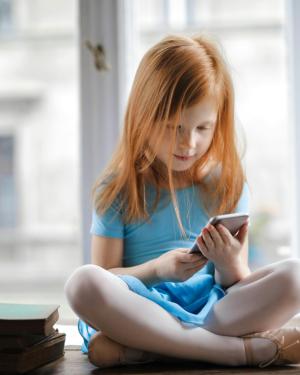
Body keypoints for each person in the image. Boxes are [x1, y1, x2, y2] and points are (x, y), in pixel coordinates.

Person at [64, 34, 300, 369]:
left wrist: (229, 263)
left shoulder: (228, 184)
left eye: (202, 127)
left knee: (295, 276)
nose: (189, 143)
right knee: (82, 283)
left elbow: (236, 284)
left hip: (212, 310)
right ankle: (237, 352)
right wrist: (159, 270)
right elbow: (106, 276)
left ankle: (154, 348)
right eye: (174, 127)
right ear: (144, 118)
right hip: (143, 308)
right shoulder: (117, 188)